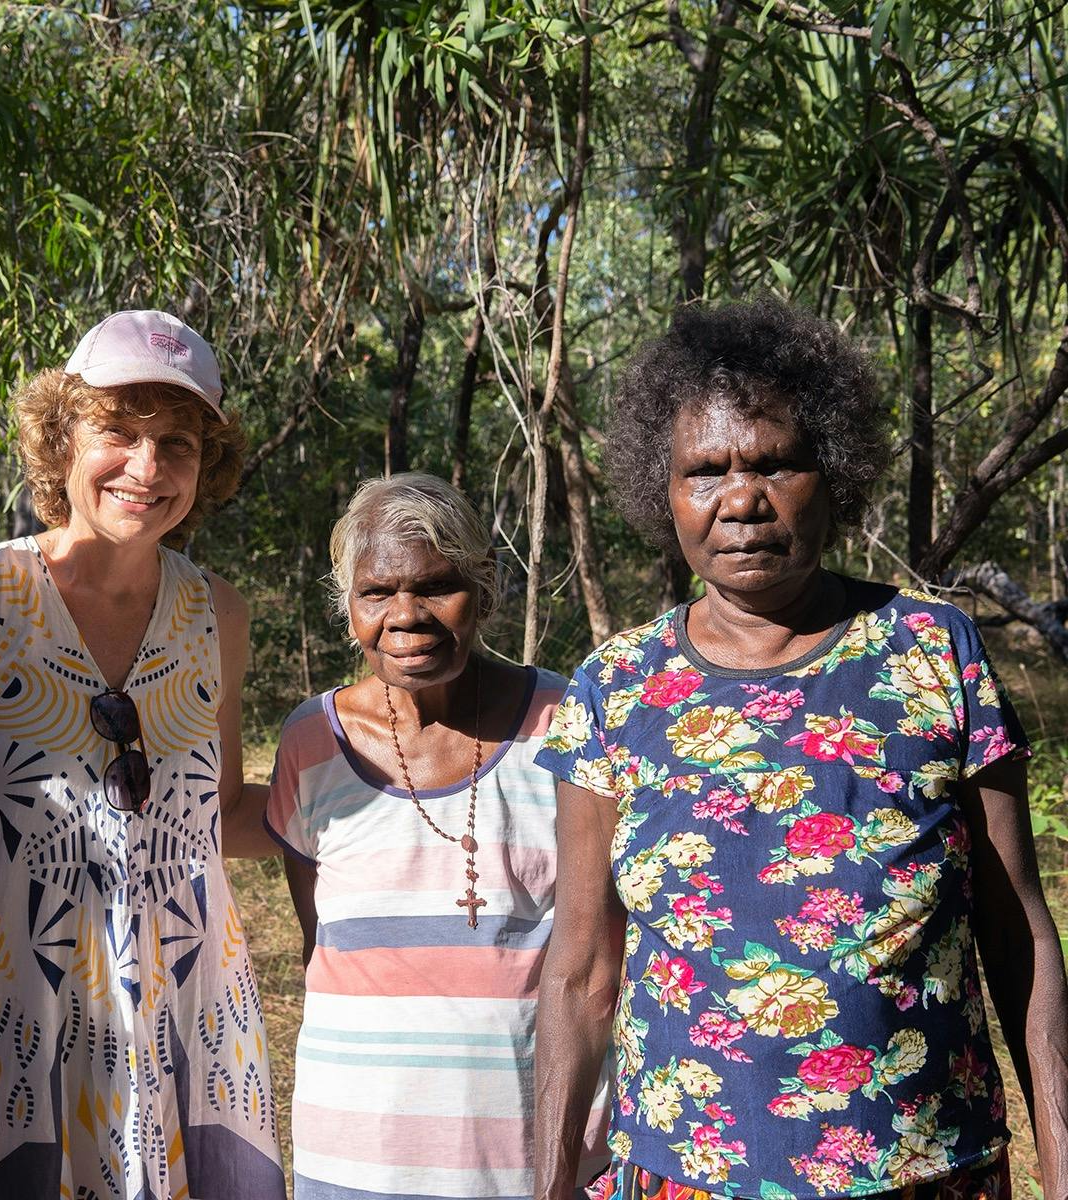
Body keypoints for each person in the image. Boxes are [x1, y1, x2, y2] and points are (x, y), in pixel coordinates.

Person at [531, 300, 1068, 1200]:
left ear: (835, 473)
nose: (741, 499)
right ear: (662, 494)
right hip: (687, 1175)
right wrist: (548, 1189)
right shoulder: (616, 688)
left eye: (775, 462)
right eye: (704, 471)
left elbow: (1019, 934)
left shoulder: (933, 652)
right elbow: (582, 970)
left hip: (926, 1171)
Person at [0, 310, 283, 1198]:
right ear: (60, 438)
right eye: (118, 431)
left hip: (180, 1021)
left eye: (177, 443)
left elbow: (214, 816)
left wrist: (380, 791)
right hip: (10, 1029)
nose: (147, 468)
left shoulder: (216, 612)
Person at [264, 472, 610, 1200]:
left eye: (436, 586)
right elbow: (319, 945)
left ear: (483, 591)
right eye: (377, 593)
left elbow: (598, 960)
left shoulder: (567, 726)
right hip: (353, 1148)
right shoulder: (310, 743)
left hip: (527, 1152)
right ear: (348, 607)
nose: (406, 616)